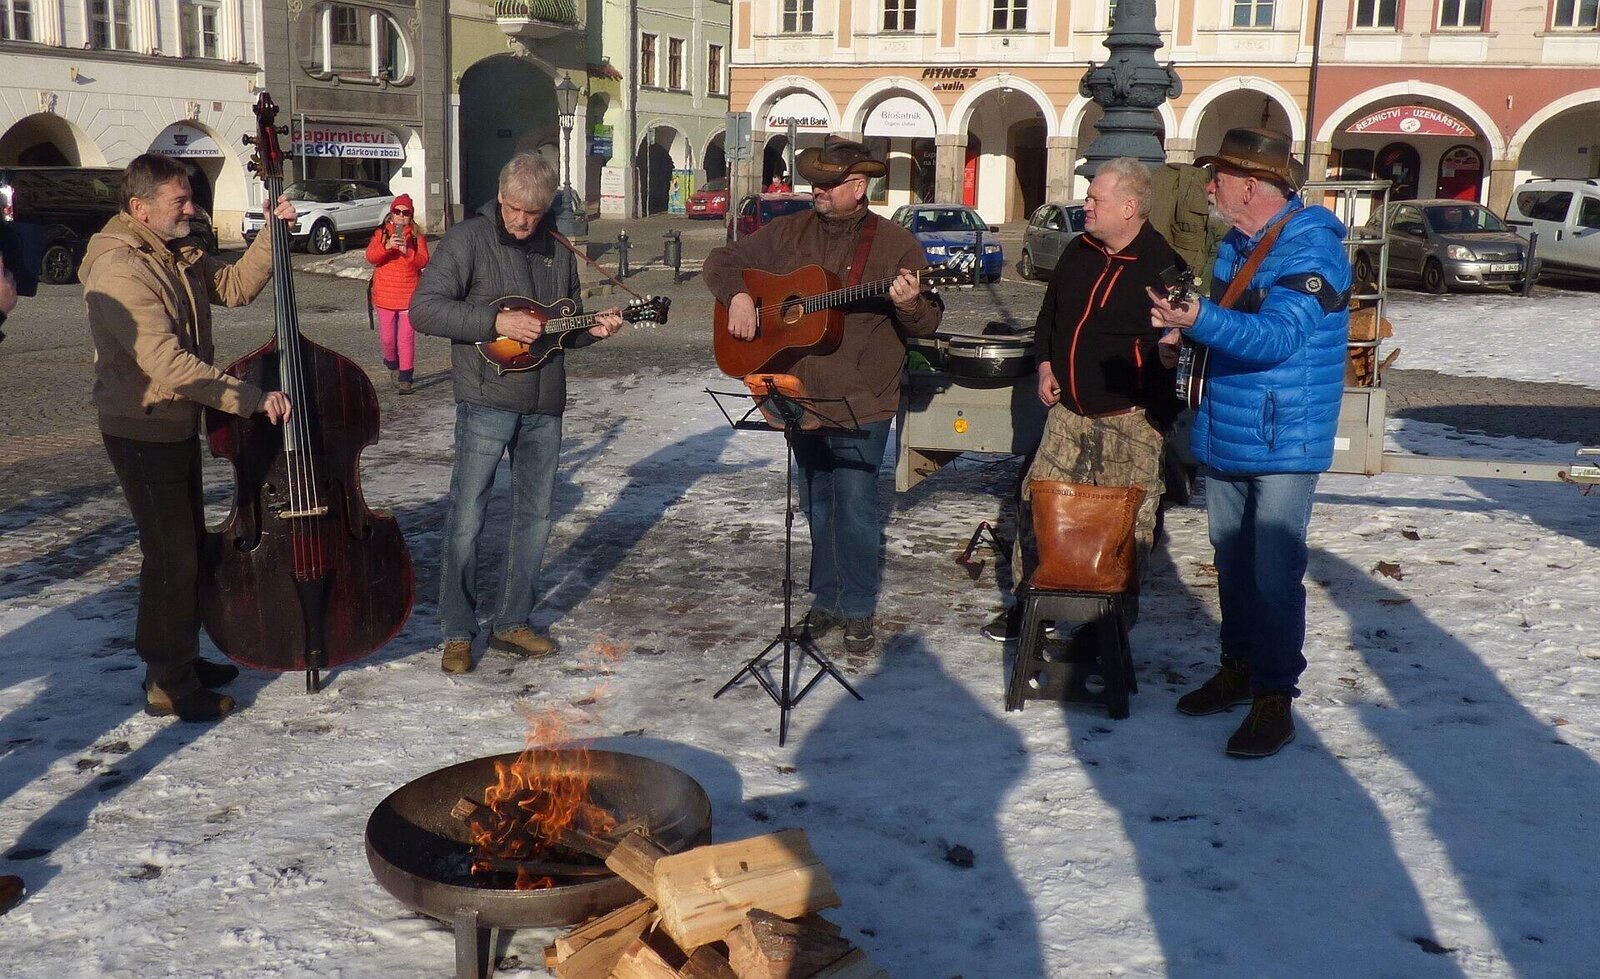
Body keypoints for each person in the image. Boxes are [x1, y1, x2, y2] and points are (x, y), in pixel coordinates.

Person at [1147, 127, 1352, 759]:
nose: (1208, 187)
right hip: (1229, 427)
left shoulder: (1313, 247)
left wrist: (1197, 318)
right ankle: (1238, 668)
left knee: (1273, 572)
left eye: (1219, 177)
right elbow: (1232, 326)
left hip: (1283, 436)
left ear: (1253, 185)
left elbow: (1277, 337)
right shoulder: (1236, 245)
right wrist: (1185, 339)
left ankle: (1274, 696)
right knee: (1233, 565)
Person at [703, 135, 943, 654]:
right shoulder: (788, 232)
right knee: (816, 501)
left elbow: (927, 321)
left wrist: (907, 304)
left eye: (828, 184)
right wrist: (738, 295)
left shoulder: (895, 245)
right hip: (798, 390)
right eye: (814, 181)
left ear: (858, 186)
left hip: (863, 395)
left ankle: (856, 608)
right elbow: (720, 260)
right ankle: (827, 600)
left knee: (854, 506)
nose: (816, 190)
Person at [82, 153, 296, 722]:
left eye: (190, 197)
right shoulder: (121, 269)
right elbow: (166, 363)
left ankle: (180, 658)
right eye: (179, 200)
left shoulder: (174, 251)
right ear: (140, 208)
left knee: (187, 549)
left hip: (174, 423)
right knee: (171, 557)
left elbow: (234, 286)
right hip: (143, 427)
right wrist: (249, 398)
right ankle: (168, 683)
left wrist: (272, 235)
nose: (192, 208)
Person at [411, 153, 624, 675]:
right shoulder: (467, 239)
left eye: (534, 212)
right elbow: (424, 309)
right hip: (485, 398)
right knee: (467, 517)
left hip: (544, 405)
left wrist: (591, 331)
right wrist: (494, 321)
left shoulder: (558, 248)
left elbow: (562, 327)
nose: (523, 221)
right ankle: (458, 631)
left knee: (535, 518)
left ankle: (512, 621)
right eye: (515, 209)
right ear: (501, 197)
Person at [984, 158, 1184, 642]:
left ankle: (1108, 627)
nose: (1086, 205)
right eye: (1089, 196)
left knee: (1125, 529)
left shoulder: (1164, 266)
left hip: (1129, 422)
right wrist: (1046, 364)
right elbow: (1051, 314)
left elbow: (1183, 343)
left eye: (1097, 199)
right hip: (1068, 414)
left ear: (1129, 207)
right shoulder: (1079, 250)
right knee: (1038, 507)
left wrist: (1171, 352)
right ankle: (1032, 606)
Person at [365, 193, 430, 395]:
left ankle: (406, 378)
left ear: (411, 215)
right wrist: (386, 247)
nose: (401, 216)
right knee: (387, 338)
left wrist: (407, 252)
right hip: (385, 295)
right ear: (391, 213)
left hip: (409, 296)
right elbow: (371, 257)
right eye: (397, 211)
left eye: (405, 213)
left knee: (406, 338)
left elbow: (423, 261)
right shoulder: (382, 233)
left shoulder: (417, 237)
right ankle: (393, 363)